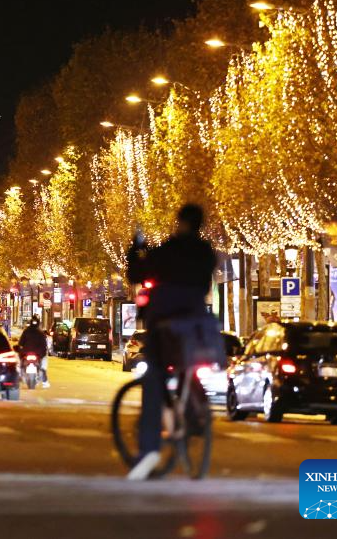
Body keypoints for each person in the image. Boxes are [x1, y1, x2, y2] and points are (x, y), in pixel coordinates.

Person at [124, 203, 217, 480]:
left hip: (166, 324)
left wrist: (136, 250)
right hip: (198, 323)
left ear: (181, 222)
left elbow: (136, 273)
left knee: (154, 380)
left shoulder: (168, 250)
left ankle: (149, 448)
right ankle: (195, 411)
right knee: (194, 366)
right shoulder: (206, 253)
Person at [18, 315, 50, 388]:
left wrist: (20, 349)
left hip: (27, 353)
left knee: (20, 364)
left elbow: (20, 343)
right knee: (43, 367)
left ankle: (20, 376)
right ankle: (45, 381)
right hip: (38, 354)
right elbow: (44, 345)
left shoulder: (26, 331)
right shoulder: (41, 333)